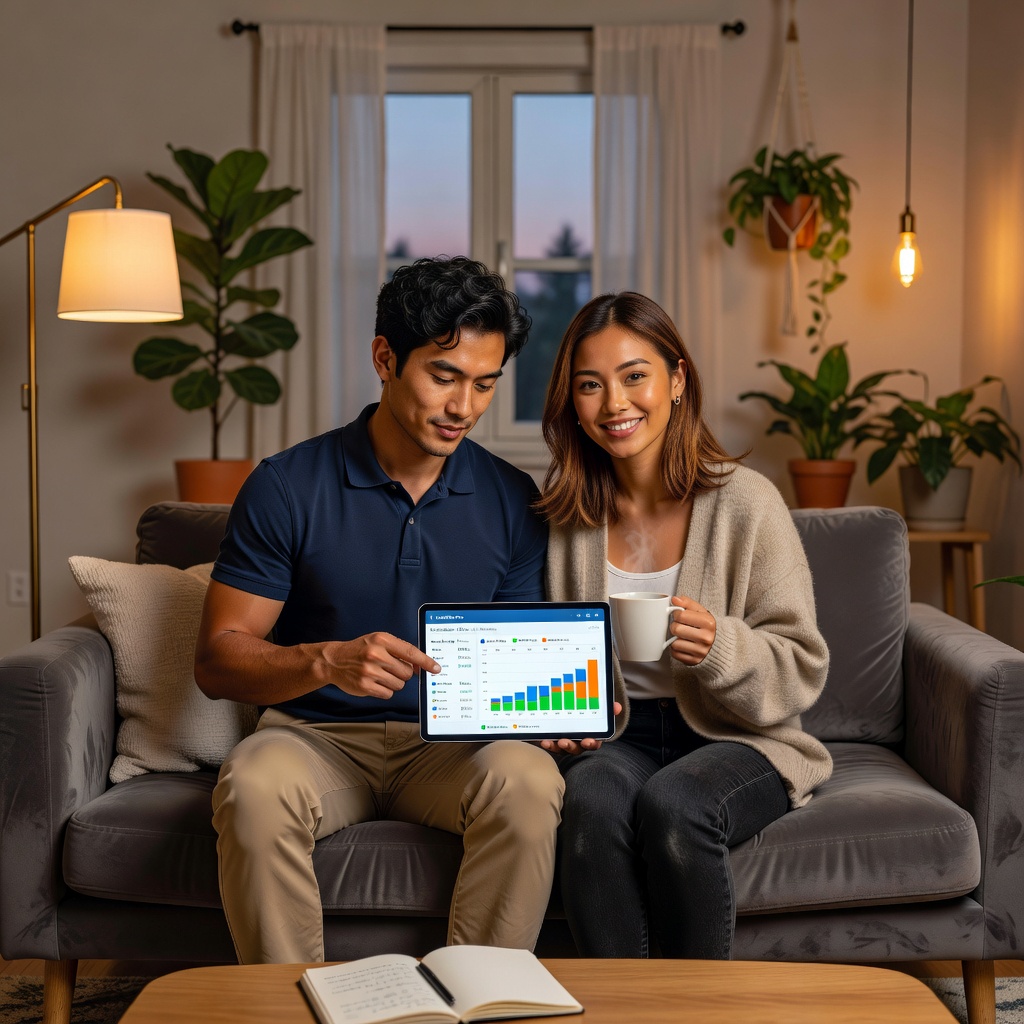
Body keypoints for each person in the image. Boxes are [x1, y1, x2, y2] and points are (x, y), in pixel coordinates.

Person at [194, 256, 563, 965]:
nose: (464, 407)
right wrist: (327, 661)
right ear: (385, 359)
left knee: (530, 781)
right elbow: (217, 661)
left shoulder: (514, 499)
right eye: (444, 377)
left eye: (484, 384)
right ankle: (286, 1007)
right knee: (253, 783)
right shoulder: (286, 485)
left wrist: (559, 715)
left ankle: (480, 999)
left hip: (452, 748)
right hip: (314, 738)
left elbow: (514, 667)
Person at [536, 291, 832, 959]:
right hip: (619, 733)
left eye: (634, 376)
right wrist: (556, 714)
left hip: (739, 735)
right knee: (588, 803)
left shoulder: (746, 503)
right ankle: (624, 1004)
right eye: (590, 385)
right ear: (572, 403)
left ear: (676, 380)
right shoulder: (566, 518)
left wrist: (721, 647)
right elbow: (546, 650)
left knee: (675, 804)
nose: (614, 403)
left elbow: (802, 664)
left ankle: (701, 1004)